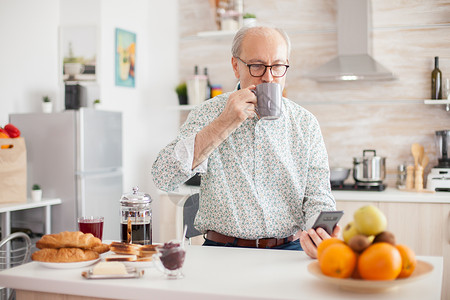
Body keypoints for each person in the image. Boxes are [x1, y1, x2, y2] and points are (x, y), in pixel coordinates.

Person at [152, 25, 340, 258]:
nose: (268, 77)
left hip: (290, 250)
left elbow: (319, 195)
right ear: (235, 66)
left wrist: (320, 233)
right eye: (257, 66)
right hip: (222, 251)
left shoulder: (305, 123)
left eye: (278, 66)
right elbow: (163, 176)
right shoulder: (207, 114)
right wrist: (224, 123)